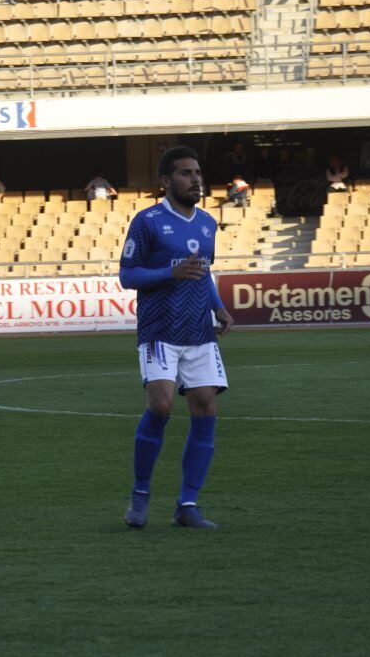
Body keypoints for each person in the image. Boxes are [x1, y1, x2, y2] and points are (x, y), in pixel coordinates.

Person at [119, 145, 234, 531]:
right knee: (163, 405)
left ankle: (188, 505)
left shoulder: (206, 223)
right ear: (166, 181)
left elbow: (201, 272)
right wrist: (170, 274)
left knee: (206, 411)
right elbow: (128, 276)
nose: (196, 179)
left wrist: (217, 305)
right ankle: (141, 491)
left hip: (199, 331)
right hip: (159, 330)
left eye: (198, 172)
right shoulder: (147, 221)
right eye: (186, 173)